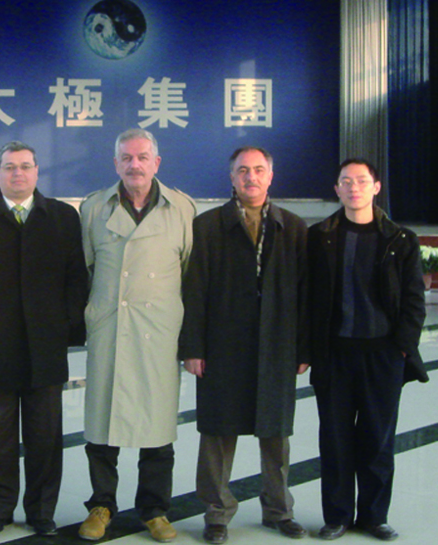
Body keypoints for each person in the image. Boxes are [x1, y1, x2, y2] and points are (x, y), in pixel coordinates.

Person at [0, 141, 88, 537]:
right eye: (9, 166)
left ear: (37, 172)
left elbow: (77, 277)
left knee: (46, 437)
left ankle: (42, 511)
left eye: (25, 166)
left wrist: (64, 325)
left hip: (46, 347)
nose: (17, 173)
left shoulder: (62, 217)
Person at [179, 146, 309, 544]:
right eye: (242, 171)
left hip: (276, 344)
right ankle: (217, 513)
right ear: (231, 177)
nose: (250, 177)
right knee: (218, 432)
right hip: (222, 345)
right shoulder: (207, 226)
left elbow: (306, 293)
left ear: (270, 176)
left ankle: (279, 510)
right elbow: (194, 291)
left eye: (258, 170)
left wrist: (303, 349)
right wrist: (193, 348)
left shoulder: (293, 227)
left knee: (276, 432)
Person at [78, 128, 195, 543]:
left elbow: (189, 273)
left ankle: (154, 510)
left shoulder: (181, 208)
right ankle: (101, 506)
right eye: (126, 158)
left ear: (156, 163)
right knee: (101, 425)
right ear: (115, 164)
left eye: (143, 157)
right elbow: (85, 269)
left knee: (158, 427)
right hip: (111, 328)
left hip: (157, 333)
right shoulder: (93, 208)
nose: (135, 165)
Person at [307, 159, 426, 542]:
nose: (353, 187)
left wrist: (402, 348)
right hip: (335, 355)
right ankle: (338, 516)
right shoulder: (319, 237)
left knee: (378, 439)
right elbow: (307, 298)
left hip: (383, 356)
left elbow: (414, 300)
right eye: (346, 181)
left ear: (376, 187)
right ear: (337, 189)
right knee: (335, 439)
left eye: (361, 181)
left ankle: (374, 516)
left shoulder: (401, 239)